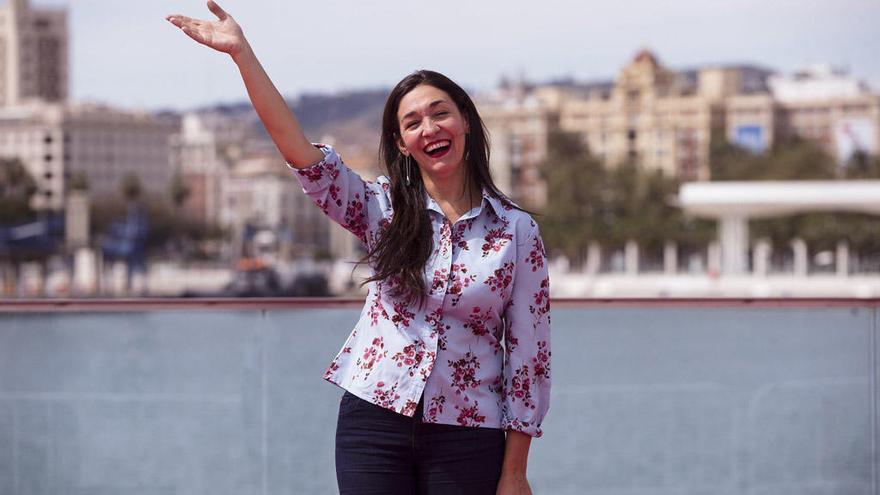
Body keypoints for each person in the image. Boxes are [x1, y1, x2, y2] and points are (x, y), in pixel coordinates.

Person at [167, 3, 550, 494]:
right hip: (374, 423)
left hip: (468, 432)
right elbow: (299, 153)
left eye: (440, 113)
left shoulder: (518, 232)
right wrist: (242, 55)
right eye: (413, 122)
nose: (429, 128)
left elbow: (530, 357)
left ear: (466, 123)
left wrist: (515, 472)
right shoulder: (381, 208)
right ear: (403, 142)